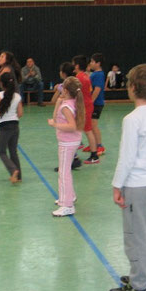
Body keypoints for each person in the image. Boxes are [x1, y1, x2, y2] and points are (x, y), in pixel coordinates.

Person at [109, 64, 146, 291]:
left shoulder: (132, 119)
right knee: (145, 232)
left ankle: (140, 286)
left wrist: (117, 185)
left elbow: (127, 157)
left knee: (134, 235)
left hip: (137, 184)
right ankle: (140, 276)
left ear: (132, 88)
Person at [48, 76, 85, 216]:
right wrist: (59, 100)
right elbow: (56, 115)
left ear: (66, 90)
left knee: (63, 173)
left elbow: (71, 126)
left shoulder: (66, 106)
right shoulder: (71, 102)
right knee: (66, 171)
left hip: (67, 142)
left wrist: (55, 125)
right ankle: (70, 196)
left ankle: (67, 205)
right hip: (72, 141)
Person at [51, 62, 82, 171]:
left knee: (67, 137)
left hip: (65, 118)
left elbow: (53, 100)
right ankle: (74, 157)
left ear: (63, 73)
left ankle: (70, 161)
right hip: (74, 114)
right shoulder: (73, 83)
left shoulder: (65, 86)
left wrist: (58, 91)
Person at [72, 55, 98, 164]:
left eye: (73, 64)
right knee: (81, 129)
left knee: (88, 130)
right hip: (86, 105)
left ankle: (94, 155)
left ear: (77, 65)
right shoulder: (85, 76)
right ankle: (76, 151)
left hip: (84, 107)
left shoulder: (79, 78)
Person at [83, 53, 106, 156]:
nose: (91, 63)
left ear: (98, 63)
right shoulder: (94, 74)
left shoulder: (99, 74)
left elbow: (97, 90)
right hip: (93, 103)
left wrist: (90, 102)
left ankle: (100, 145)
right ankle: (93, 145)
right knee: (90, 125)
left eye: (92, 61)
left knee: (93, 125)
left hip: (96, 104)